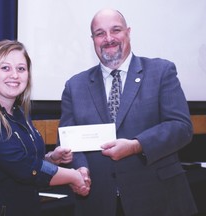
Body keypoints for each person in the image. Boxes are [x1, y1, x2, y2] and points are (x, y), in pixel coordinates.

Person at [58, 8, 197, 216]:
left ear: (128, 32)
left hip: (159, 199)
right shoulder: (75, 86)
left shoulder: (161, 71)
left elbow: (181, 128)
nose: (108, 39)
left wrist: (136, 146)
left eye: (116, 30)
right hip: (98, 203)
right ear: (93, 39)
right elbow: (70, 142)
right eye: (100, 33)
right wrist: (81, 170)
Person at [0, 39, 89, 216]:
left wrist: (51, 159)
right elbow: (23, 167)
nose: (14, 75)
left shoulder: (19, 114)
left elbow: (26, 160)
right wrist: (73, 176)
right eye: (5, 68)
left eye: (21, 69)